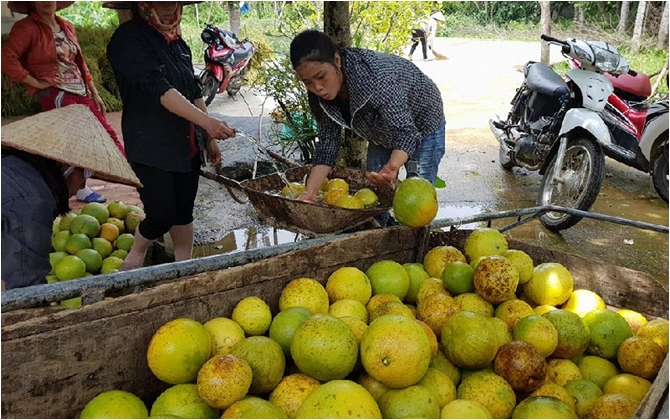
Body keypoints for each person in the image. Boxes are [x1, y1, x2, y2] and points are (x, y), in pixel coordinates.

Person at [104, 1, 236, 271]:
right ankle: (135, 257)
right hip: (151, 144)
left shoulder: (179, 45)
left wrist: (207, 136)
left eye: (173, 2)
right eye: (160, 2)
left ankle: (183, 269)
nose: (168, 9)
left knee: (183, 211)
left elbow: (194, 91)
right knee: (161, 215)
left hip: (186, 145)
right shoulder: (128, 39)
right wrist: (207, 123)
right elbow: (161, 90)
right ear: (144, 5)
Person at [289, 30, 445, 211]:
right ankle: (381, 232)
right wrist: (309, 194)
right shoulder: (320, 97)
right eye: (307, 82)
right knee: (375, 191)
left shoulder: (375, 78)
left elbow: (407, 132)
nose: (317, 88)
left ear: (337, 61)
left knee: (418, 196)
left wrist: (392, 167)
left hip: (422, 121)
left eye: (321, 77)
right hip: (380, 130)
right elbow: (327, 146)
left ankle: (415, 235)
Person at [1, 105, 142, 290]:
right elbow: (25, 285)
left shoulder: (15, 168)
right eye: (85, 174)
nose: (83, 185)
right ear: (65, 166)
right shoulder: (33, 203)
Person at [1, 1, 125, 204]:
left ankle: (77, 187)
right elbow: (7, 58)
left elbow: (79, 62)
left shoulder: (66, 25)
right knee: (74, 144)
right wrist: (36, 83)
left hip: (80, 90)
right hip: (57, 94)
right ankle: (62, 195)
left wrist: (94, 92)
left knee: (105, 137)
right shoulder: (26, 28)